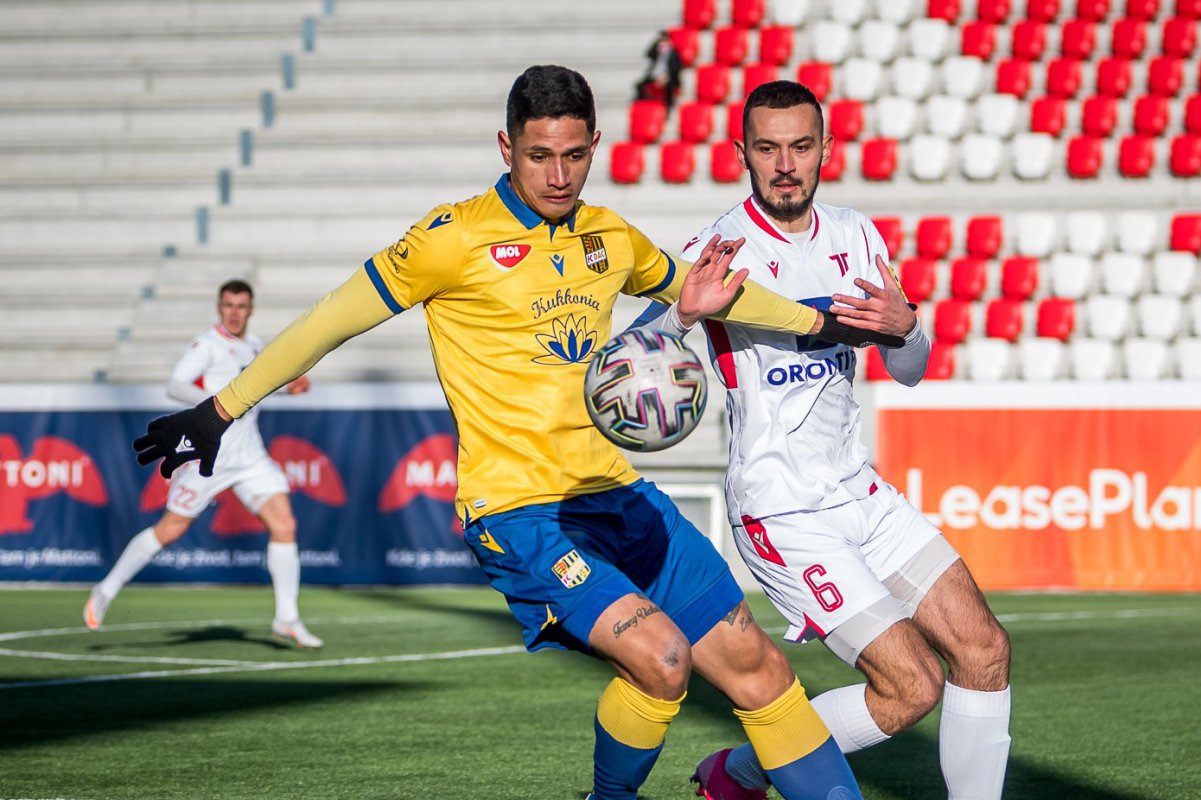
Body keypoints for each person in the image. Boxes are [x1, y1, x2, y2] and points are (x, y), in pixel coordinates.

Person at [131, 66, 901, 800]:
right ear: (507, 147)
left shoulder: (609, 237)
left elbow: (716, 292)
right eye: (539, 156)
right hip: (519, 512)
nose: (558, 176)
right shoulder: (451, 239)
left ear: (595, 145)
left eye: (574, 156)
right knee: (662, 658)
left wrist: (826, 324)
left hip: (616, 492)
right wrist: (219, 409)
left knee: (758, 667)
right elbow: (329, 320)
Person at [631, 81, 1013, 800]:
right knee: (911, 687)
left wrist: (908, 329)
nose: (785, 165)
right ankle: (738, 773)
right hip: (781, 509)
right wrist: (681, 315)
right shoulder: (717, 249)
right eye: (768, 148)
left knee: (985, 648)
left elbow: (910, 370)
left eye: (801, 147)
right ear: (742, 153)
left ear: (826, 151)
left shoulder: (856, 236)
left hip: (860, 492)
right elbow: (632, 358)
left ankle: (739, 775)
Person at [85, 279, 321, 648]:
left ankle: (286, 617)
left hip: (249, 455)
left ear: (250, 310)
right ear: (218, 307)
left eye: (241, 306)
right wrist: (217, 404)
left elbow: (256, 388)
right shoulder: (207, 345)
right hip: (209, 456)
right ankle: (106, 589)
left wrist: (288, 387)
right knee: (170, 530)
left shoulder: (254, 345)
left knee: (284, 525)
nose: (234, 312)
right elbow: (175, 385)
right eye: (228, 305)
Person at [634, 31, 682, 109]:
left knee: (669, 88)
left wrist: (666, 77)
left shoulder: (673, 54)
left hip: (667, 77)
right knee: (639, 85)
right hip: (654, 75)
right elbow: (648, 54)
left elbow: (676, 69)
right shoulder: (656, 52)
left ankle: (668, 107)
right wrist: (655, 44)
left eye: (664, 41)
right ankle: (643, 104)